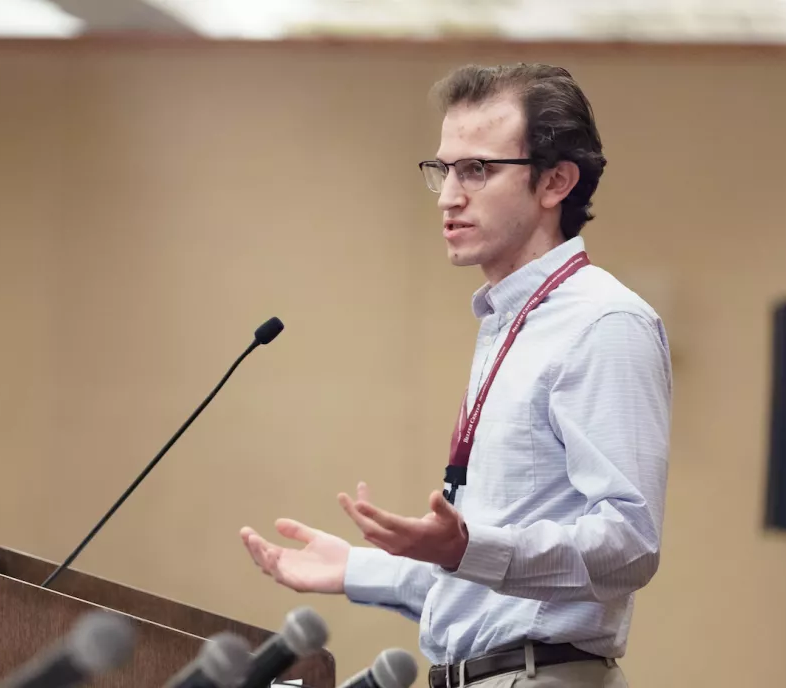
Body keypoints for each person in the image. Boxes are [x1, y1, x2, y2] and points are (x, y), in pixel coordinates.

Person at [240, 63, 672, 688]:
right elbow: (490, 584)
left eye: (477, 169)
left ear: (556, 181)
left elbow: (629, 544)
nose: (448, 196)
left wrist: (466, 549)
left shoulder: (604, 323)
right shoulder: (508, 321)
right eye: (442, 170)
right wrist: (358, 569)